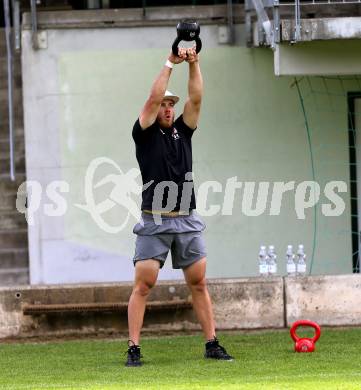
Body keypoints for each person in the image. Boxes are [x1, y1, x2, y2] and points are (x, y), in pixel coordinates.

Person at [126, 46, 233, 367]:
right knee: (144, 284)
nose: (169, 108)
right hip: (154, 221)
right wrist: (170, 63)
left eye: (172, 104)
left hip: (187, 219)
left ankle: (212, 343)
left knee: (198, 283)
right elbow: (151, 97)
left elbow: (197, 99)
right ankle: (133, 348)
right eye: (164, 104)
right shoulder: (143, 133)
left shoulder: (183, 133)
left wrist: (195, 62)